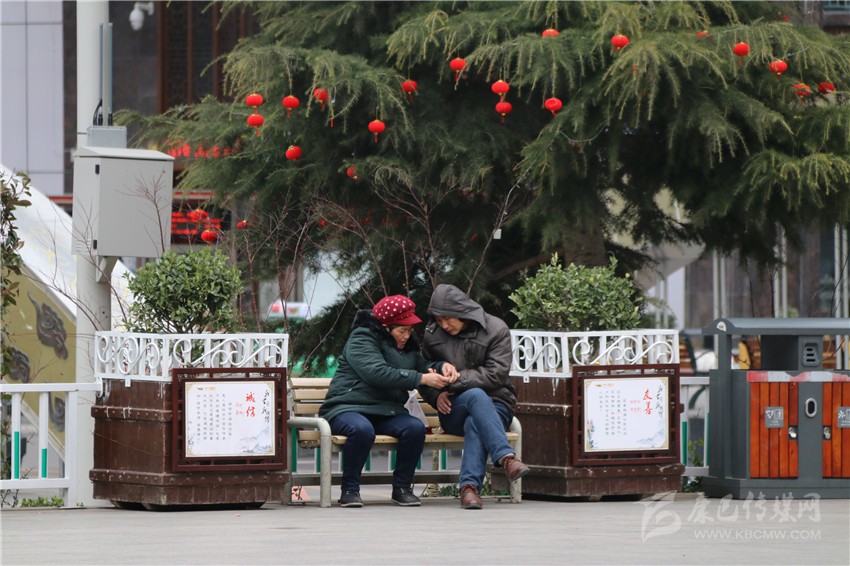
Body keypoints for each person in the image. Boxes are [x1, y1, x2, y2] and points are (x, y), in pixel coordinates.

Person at [319, 294, 459, 508]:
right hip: (347, 407)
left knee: (414, 428)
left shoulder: (406, 345)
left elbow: (422, 365)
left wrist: (441, 367)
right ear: (385, 326)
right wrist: (422, 379)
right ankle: (350, 489)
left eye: (409, 330)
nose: (407, 335)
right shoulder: (361, 338)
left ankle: (402, 488)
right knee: (361, 430)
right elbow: (377, 373)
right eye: (402, 330)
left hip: (386, 410)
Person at [419, 283, 530, 510]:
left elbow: (496, 374)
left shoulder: (495, 329)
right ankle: (506, 458)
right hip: (454, 409)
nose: (444, 325)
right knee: (475, 398)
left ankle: (469, 489)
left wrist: (457, 380)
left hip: (497, 403)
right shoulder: (432, 334)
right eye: (438, 320)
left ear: (461, 311)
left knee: (475, 419)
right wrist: (435, 395)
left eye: (447, 319)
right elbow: (423, 371)